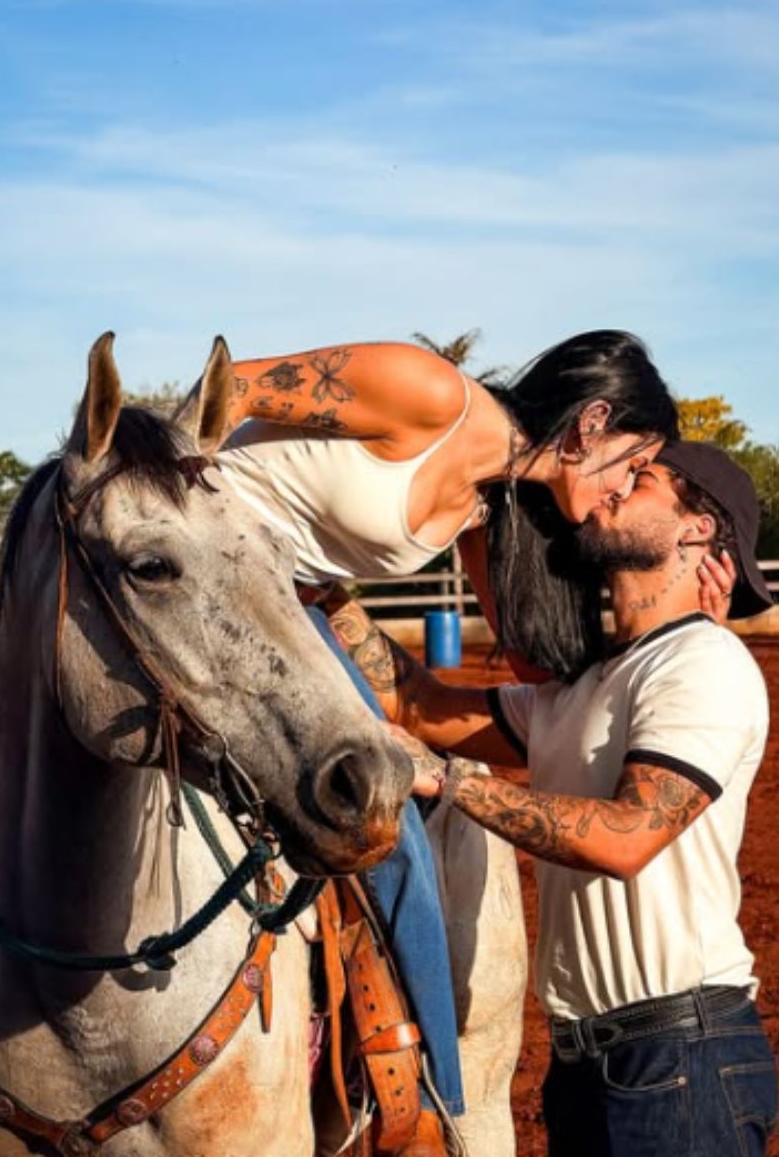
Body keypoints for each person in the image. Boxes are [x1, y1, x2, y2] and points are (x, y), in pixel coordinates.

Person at [210, 333, 728, 1154]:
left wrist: (682, 626)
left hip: (289, 623)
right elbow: (222, 391)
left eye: (641, 481)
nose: (621, 489)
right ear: (592, 421)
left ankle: (420, 1088)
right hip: (187, 570)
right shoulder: (434, 393)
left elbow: (537, 669)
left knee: (394, 840)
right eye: (632, 464)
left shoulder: (487, 507)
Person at [326, 441, 777, 1156]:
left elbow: (627, 836)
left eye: (644, 479)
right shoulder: (578, 689)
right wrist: (322, 593)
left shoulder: (703, 662)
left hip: (679, 1059)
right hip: (591, 1068)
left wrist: (451, 782)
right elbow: (415, 703)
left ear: (697, 528)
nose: (613, 488)